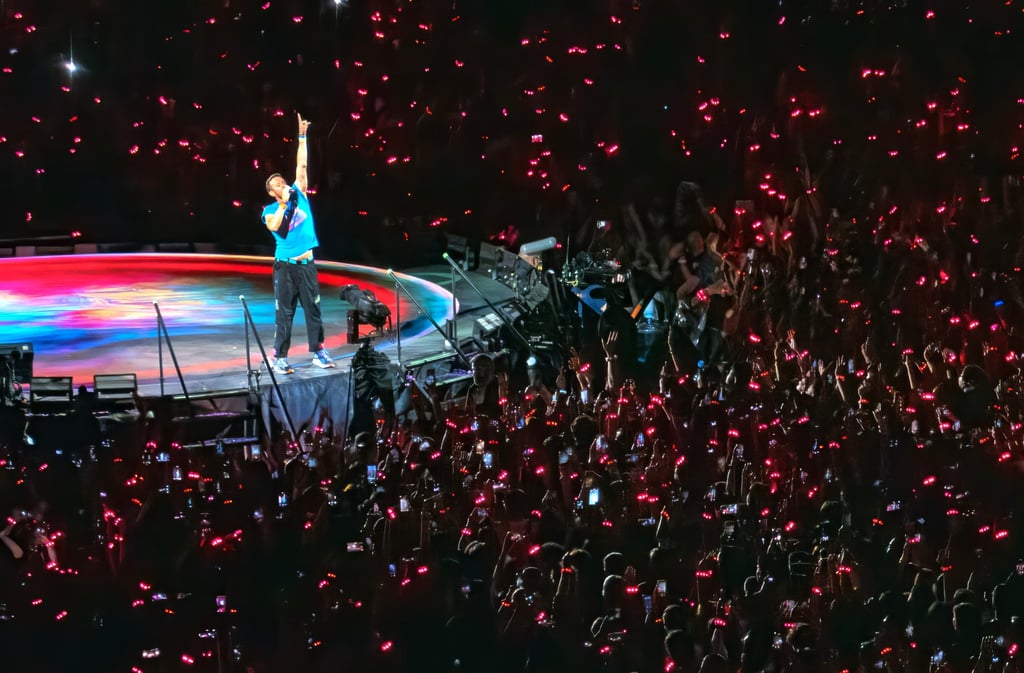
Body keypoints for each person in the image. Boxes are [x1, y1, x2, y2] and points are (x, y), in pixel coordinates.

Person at [261, 112, 334, 374]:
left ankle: (318, 352)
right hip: (285, 267)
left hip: (306, 265)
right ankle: (279, 357)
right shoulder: (270, 209)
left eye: (283, 182)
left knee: (313, 310)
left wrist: (302, 136)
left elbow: (301, 166)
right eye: (277, 185)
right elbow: (275, 226)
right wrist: (283, 203)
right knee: (285, 314)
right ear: (272, 192)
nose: (283, 185)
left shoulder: (300, 194)